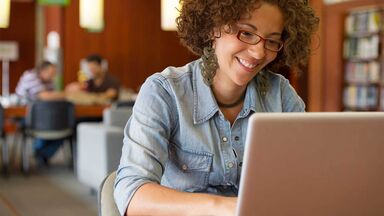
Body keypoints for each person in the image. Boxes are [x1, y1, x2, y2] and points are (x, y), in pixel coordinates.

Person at [114, 0, 319, 215]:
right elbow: (131, 195)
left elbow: (306, 178)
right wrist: (225, 207)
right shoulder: (165, 92)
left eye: (271, 41)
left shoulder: (281, 94)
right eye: (246, 33)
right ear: (213, 28)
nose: (259, 53)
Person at [15, 61, 66, 165]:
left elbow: (54, 98)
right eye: (51, 73)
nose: (54, 76)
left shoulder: (49, 81)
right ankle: (40, 152)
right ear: (42, 71)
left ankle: (41, 153)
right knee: (46, 123)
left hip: (45, 116)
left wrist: (60, 94)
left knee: (65, 125)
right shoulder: (30, 76)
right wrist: (68, 93)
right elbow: (45, 96)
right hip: (26, 116)